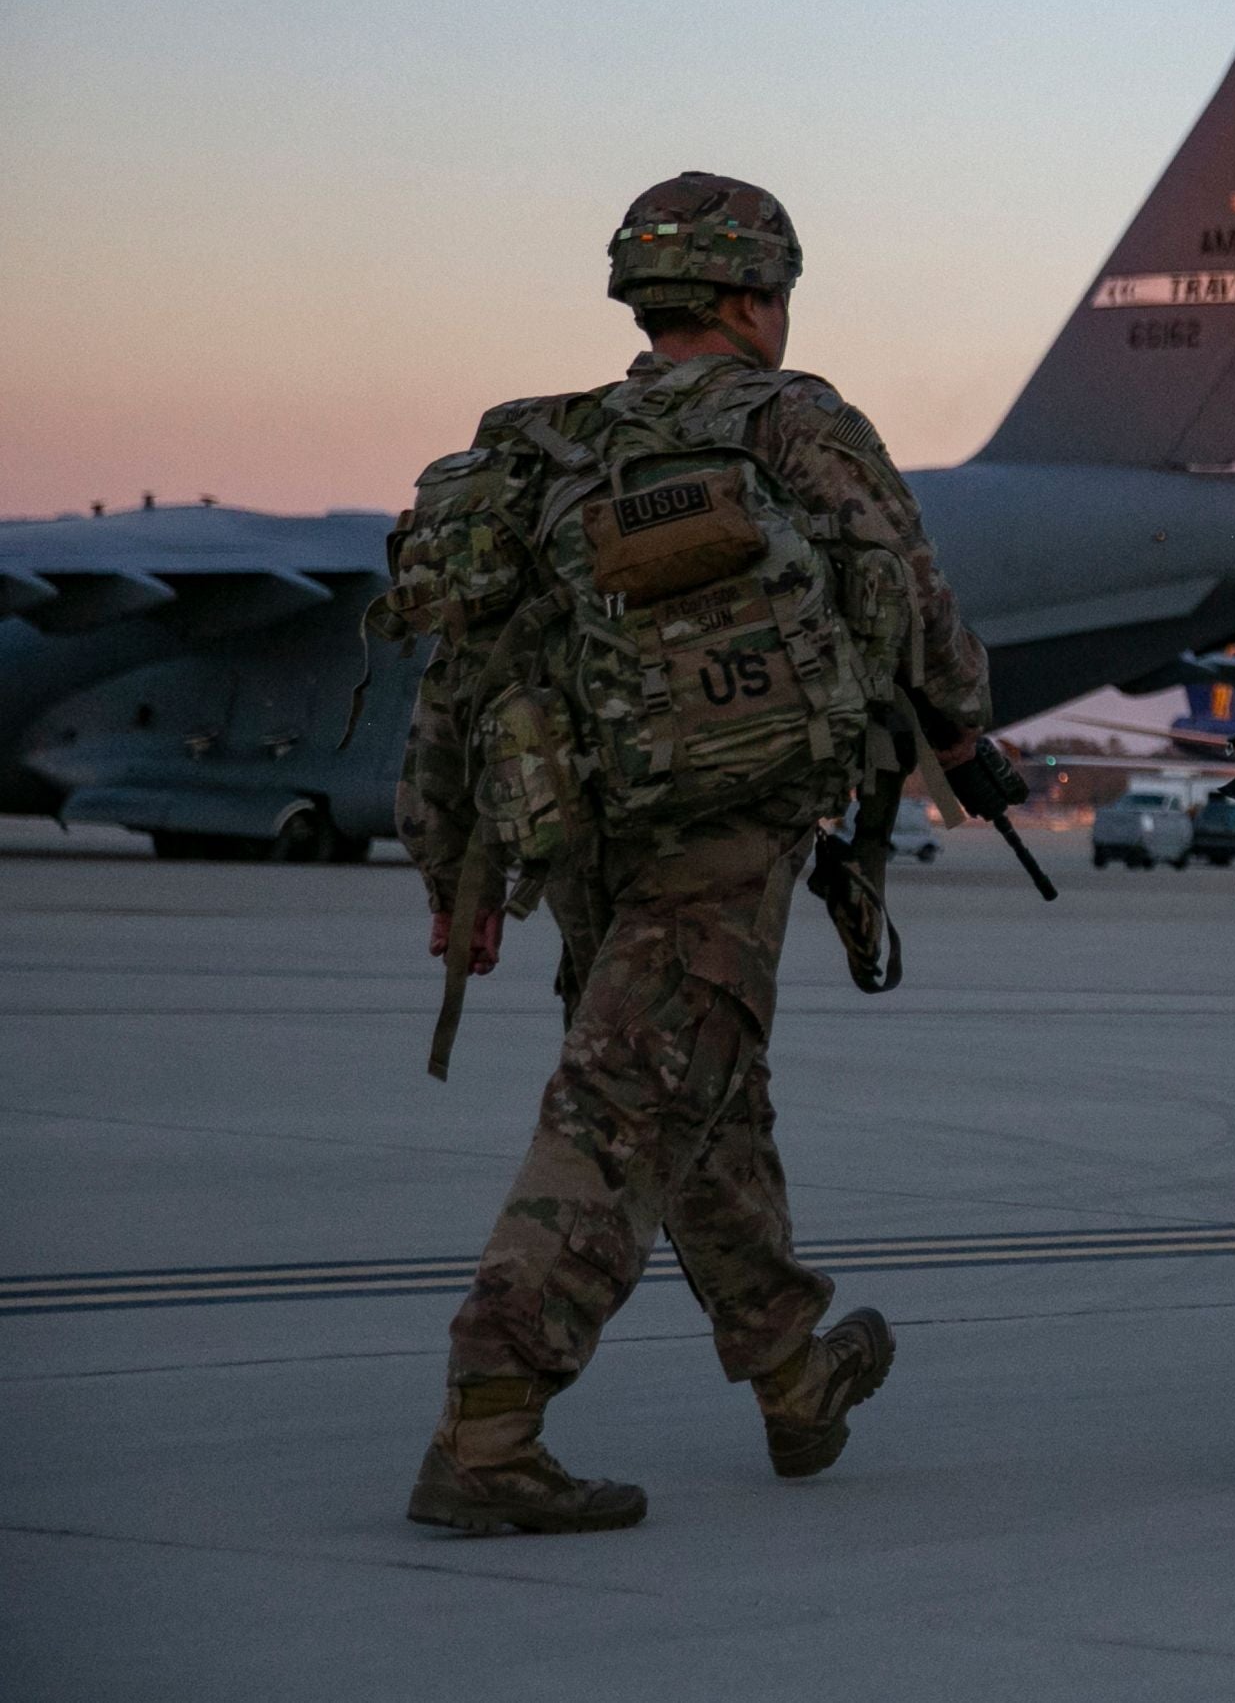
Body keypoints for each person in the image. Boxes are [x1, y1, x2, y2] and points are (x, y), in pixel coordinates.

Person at [407, 174, 993, 1533]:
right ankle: (490, 1425)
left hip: (582, 835)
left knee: (700, 1091)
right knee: (624, 1110)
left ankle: (795, 1379)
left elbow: (458, 673)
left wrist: (454, 867)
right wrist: (964, 734)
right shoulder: (792, 420)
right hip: (721, 827)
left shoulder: (541, 445)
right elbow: (903, 599)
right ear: (751, 298)